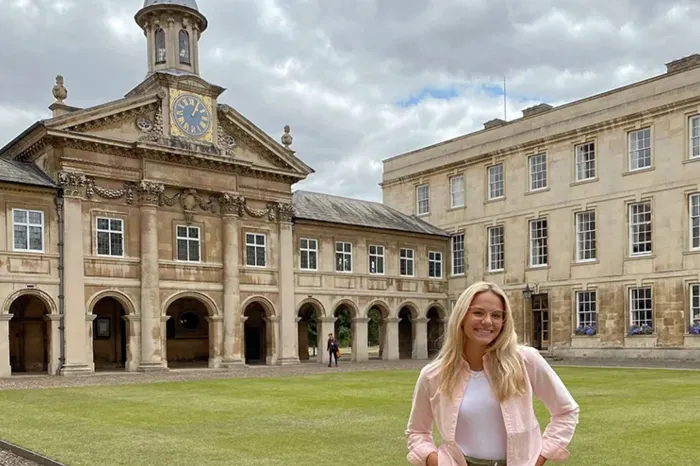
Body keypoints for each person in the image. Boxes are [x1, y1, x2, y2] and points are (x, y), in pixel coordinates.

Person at [405, 281, 579, 466]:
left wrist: (539, 457)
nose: (488, 321)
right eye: (478, 312)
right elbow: (417, 432)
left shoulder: (526, 361)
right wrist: (436, 461)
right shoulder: (434, 375)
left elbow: (566, 411)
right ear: (462, 316)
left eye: (496, 315)